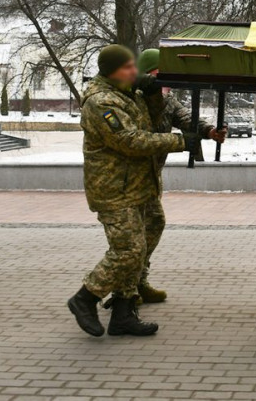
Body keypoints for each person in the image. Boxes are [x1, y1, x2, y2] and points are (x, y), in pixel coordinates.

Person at [67, 44, 191, 337]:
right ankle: (85, 298)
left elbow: (151, 119)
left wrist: (151, 95)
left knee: (145, 239)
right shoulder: (101, 102)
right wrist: (181, 142)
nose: (135, 73)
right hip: (114, 189)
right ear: (111, 71)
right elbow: (130, 140)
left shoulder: (127, 94)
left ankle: (124, 311)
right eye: (128, 69)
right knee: (129, 249)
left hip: (138, 185)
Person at [134, 48, 227, 303]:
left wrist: (210, 131)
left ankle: (138, 279)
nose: (167, 82)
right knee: (130, 237)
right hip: (130, 178)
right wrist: (180, 141)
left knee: (153, 224)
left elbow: (187, 119)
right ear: (148, 74)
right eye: (161, 74)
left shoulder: (168, 100)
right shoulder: (135, 99)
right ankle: (125, 289)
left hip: (151, 177)